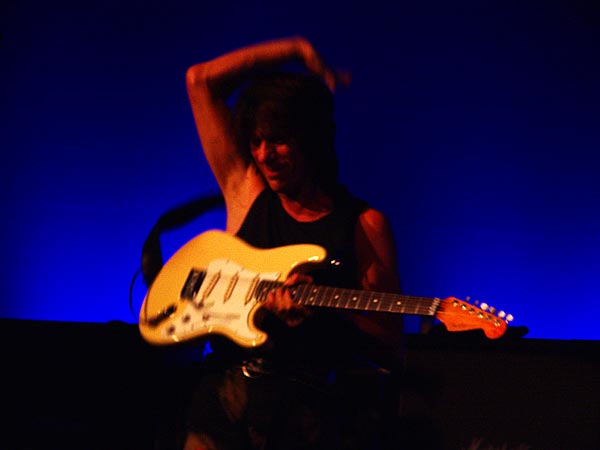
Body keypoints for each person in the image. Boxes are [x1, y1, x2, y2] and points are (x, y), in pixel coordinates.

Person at [182, 36, 406, 450]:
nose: (264, 155)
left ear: (312, 139)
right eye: (255, 141)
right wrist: (296, 50)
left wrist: (324, 315)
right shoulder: (247, 191)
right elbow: (201, 81)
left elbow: (391, 344)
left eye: (279, 140)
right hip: (225, 403)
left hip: (310, 418)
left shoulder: (364, 225)